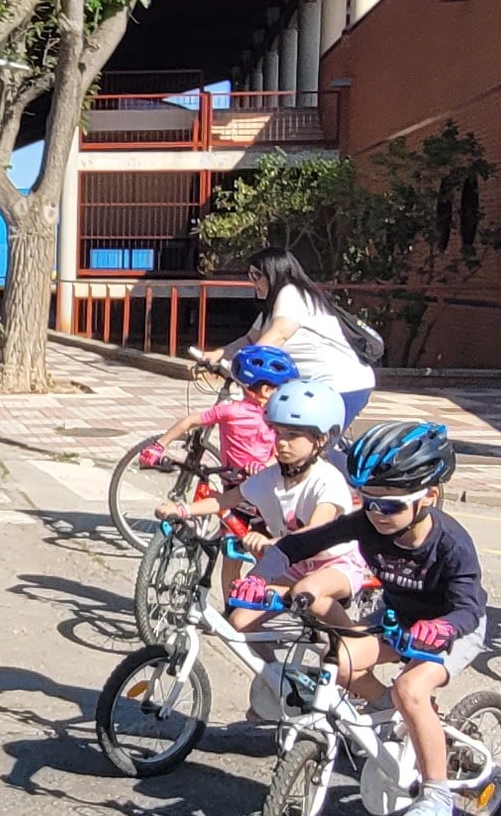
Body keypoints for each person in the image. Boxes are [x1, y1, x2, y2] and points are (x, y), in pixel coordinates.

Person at [249, 420, 487, 816]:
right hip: (398, 619)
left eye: (391, 506)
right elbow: (293, 547)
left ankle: (437, 798)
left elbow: (469, 606)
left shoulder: (452, 543)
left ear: (428, 496)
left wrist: (442, 628)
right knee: (338, 661)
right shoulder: (366, 523)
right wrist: (257, 579)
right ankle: (387, 710)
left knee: (413, 688)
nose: (377, 514)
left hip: (453, 628)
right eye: (368, 501)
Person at [173, 380, 354, 620]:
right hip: (292, 565)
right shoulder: (271, 476)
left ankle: (352, 645)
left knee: (310, 595)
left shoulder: (327, 480)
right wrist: (183, 510)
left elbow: (316, 533)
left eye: (293, 435)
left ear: (320, 439)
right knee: (238, 620)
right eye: (277, 432)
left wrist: (271, 541)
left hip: (333, 564)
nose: (281, 441)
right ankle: (272, 660)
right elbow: (227, 500)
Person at [233, 246, 377, 428]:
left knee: (305, 446)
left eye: (256, 275)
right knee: (281, 435)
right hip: (311, 388)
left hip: (340, 384)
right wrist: (217, 354)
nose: (253, 282)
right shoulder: (269, 312)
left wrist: (242, 365)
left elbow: (280, 334)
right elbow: (249, 341)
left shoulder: (292, 294)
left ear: (274, 272)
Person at [154, 341, 296, 491]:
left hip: (257, 484)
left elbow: (189, 421)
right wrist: (263, 466)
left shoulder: (230, 411)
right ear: (266, 390)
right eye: (280, 389)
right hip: (253, 484)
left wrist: (159, 445)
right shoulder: (274, 417)